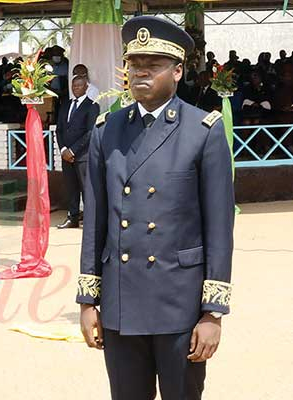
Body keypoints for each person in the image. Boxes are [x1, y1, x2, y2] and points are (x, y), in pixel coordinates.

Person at [78, 16, 234, 400]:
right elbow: (95, 222)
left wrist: (212, 313)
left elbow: (219, 228)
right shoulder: (106, 130)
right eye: (134, 64)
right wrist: (87, 301)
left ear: (178, 71)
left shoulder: (203, 131)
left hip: (178, 304)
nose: (140, 72)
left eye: (153, 65)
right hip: (121, 303)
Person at [55, 75, 99, 229]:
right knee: (71, 188)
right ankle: (72, 218)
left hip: (82, 156)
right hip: (66, 155)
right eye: (73, 86)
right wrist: (63, 149)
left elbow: (90, 132)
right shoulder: (65, 105)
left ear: (86, 87)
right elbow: (59, 130)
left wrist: (73, 150)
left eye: (79, 86)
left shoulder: (92, 105)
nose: (76, 89)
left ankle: (90, 221)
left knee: (86, 189)